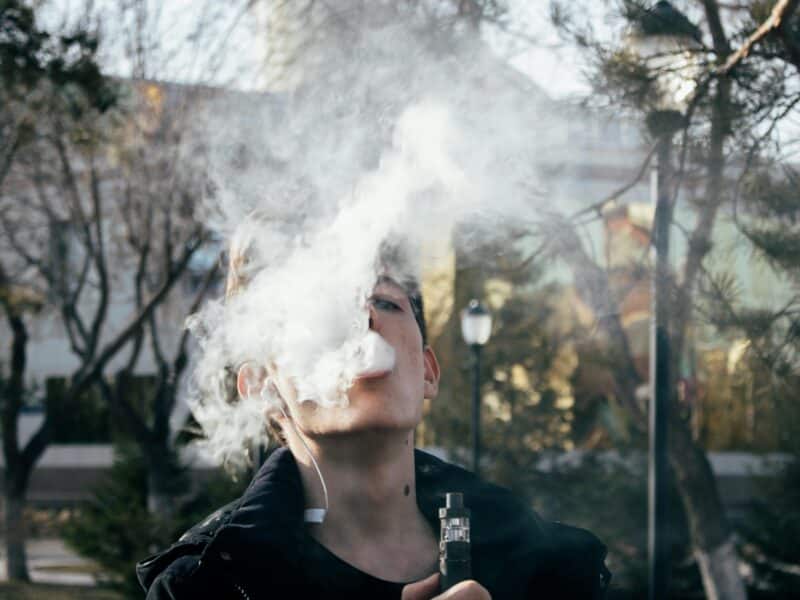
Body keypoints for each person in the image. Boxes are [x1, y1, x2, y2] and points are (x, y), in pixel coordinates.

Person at [136, 248, 611, 599]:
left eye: (384, 301)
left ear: (427, 371)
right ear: (263, 387)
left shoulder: (545, 563)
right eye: (319, 306)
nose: (361, 317)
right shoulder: (206, 585)